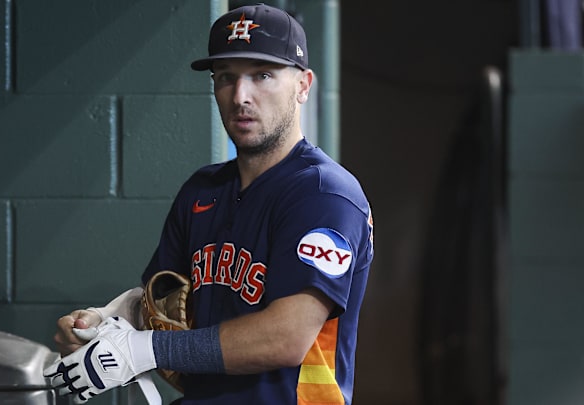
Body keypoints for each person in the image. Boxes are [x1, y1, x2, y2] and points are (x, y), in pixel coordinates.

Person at [45, 3, 374, 405]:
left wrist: (140, 350)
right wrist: (105, 323)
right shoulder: (202, 191)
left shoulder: (324, 194)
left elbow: (286, 337)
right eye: (226, 78)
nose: (241, 96)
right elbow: (162, 302)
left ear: (304, 85)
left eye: (263, 75)